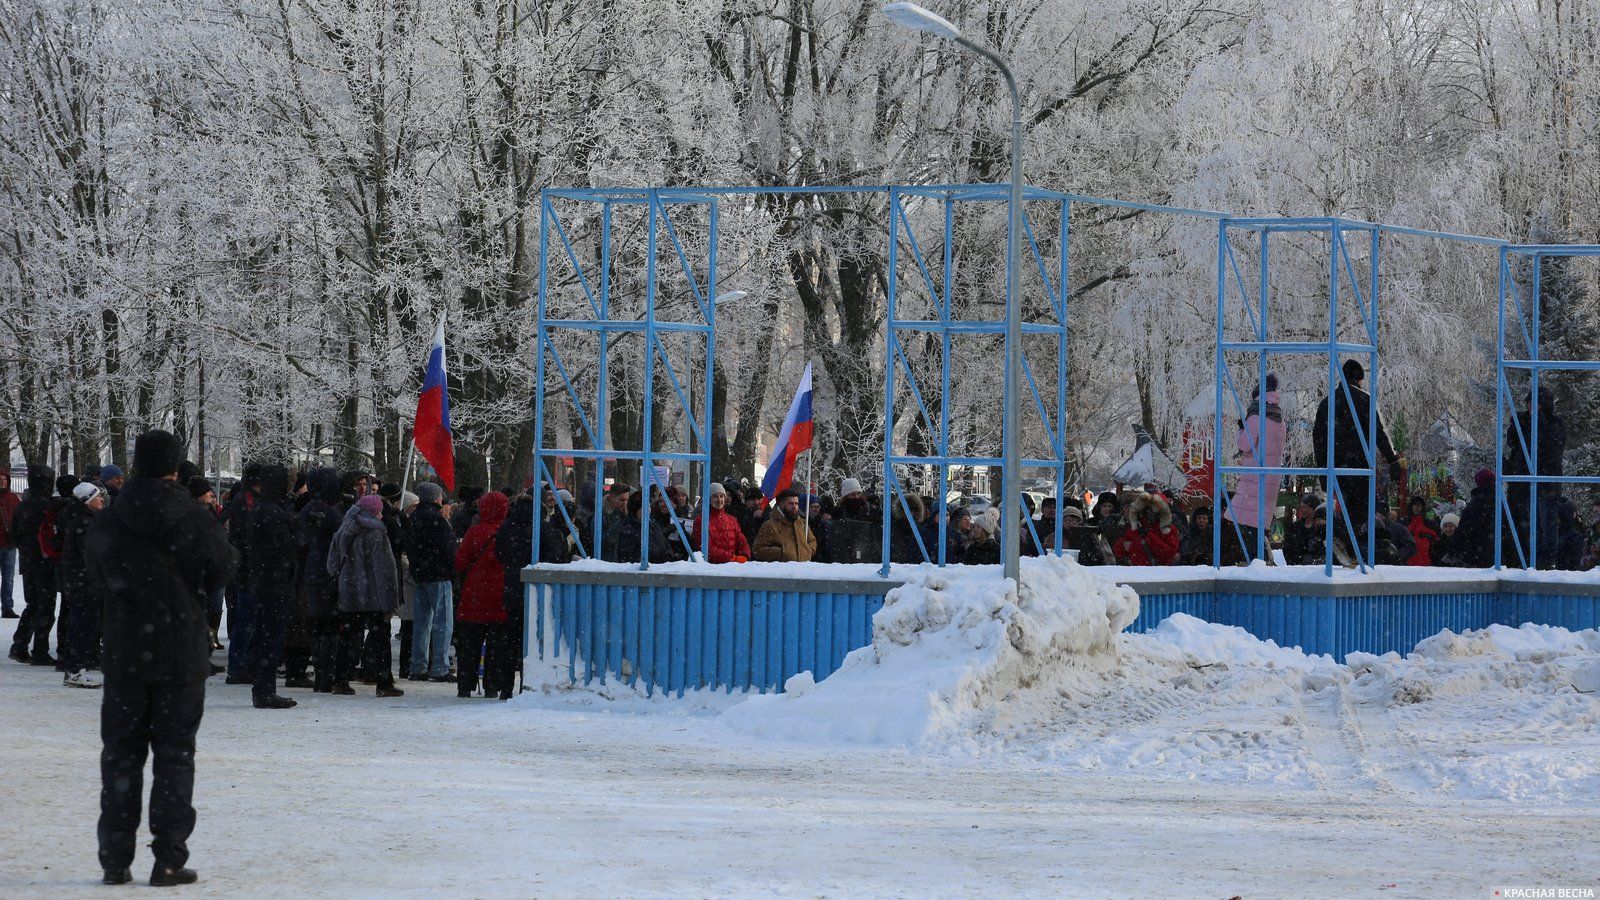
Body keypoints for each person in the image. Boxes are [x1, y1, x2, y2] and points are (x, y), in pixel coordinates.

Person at [87, 429, 237, 887]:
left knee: (120, 756)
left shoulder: (112, 519)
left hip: (127, 650)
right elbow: (223, 569)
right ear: (176, 468)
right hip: (180, 652)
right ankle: (169, 858)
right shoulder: (193, 517)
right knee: (175, 756)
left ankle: (115, 859)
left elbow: (93, 568)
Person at [1312, 359, 1403, 559]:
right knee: (1360, 512)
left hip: (1336, 467)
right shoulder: (1364, 400)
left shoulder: (1327, 402)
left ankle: (1342, 543)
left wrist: (1323, 472)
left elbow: (1318, 440)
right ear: (1359, 379)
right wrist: (1392, 460)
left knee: (1342, 509)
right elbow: (1379, 433)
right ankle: (1352, 549)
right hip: (1360, 467)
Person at [326, 494, 404, 698]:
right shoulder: (377, 533)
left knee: (348, 636)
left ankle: (340, 680)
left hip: (350, 593)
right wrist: (390, 597)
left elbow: (331, 562)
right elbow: (384, 569)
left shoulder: (345, 527)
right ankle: (384, 682)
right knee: (380, 638)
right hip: (373, 594)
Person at [243, 465, 298, 709]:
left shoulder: (260, 509)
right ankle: (265, 690)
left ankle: (262, 687)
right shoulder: (273, 512)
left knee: (265, 635)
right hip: (274, 582)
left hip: (264, 579)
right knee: (271, 637)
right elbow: (286, 546)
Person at [456, 490, 512, 699]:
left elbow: (460, 562)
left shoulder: (474, 532)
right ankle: (492, 685)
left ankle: (465, 684)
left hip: (475, 595)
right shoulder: (507, 532)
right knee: (497, 647)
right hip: (500, 596)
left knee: (469, 645)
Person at [1224, 375, 1286, 562]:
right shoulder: (1279, 418)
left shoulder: (1257, 416)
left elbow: (1245, 444)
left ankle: (1258, 561)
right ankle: (1261, 557)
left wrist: (1241, 429)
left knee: (1241, 522)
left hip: (1254, 478)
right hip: (1271, 478)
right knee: (1258, 524)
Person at [1502, 389, 1567, 567]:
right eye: (1529, 403)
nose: (1531, 407)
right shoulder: (1522, 420)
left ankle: (1544, 563)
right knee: (1521, 523)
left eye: (1536, 403)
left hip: (1546, 483)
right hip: (1521, 482)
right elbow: (1513, 443)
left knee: (1545, 525)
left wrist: (1538, 421)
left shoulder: (1555, 423)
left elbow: (1550, 448)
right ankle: (1521, 560)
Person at [295, 468, 344, 691]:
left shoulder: (308, 510)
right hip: (328, 572)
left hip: (312, 571)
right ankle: (326, 674)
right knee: (329, 626)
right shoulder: (331, 512)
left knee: (318, 625)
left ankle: (322, 673)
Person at [9, 463, 63, 665]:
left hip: (28, 561)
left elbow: (14, 534)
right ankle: (39, 650)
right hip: (44, 561)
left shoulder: (23, 506)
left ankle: (20, 644)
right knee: (46, 607)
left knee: (32, 605)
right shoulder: (50, 506)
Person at [56, 481, 107, 687]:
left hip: (83, 584)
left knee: (81, 626)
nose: (101, 499)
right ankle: (75, 669)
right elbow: (92, 557)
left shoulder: (81, 521)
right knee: (82, 628)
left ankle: (75, 668)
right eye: (97, 497)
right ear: (88, 501)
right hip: (86, 585)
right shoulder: (85, 524)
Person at [407, 482, 457, 681]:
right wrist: (453, 571)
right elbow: (448, 549)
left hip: (420, 574)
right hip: (439, 575)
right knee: (443, 623)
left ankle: (417, 666)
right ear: (436, 498)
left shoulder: (413, 517)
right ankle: (440, 667)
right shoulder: (438, 519)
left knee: (421, 622)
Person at [1113, 492, 1181, 566]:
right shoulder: (1139, 525)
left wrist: (1148, 536)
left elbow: (1169, 554)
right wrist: (1124, 545)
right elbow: (1118, 549)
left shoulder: (1169, 529)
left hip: (1161, 573)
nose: (1152, 511)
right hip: (1137, 572)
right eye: (1149, 507)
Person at [689, 483, 750, 564]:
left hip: (733, 567)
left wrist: (744, 555)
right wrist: (732, 558)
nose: (719, 500)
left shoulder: (732, 520)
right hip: (713, 569)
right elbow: (706, 548)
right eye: (715, 496)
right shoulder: (701, 521)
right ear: (709, 499)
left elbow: (742, 541)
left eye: (721, 496)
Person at [752, 489, 818, 562]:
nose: (794, 507)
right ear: (781, 504)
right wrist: (781, 552)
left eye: (796, 503)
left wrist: (808, 550)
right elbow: (757, 550)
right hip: (781, 571)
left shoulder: (803, 523)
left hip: (803, 570)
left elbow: (812, 541)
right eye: (791, 503)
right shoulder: (769, 525)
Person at [827, 481, 880, 564]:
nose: (856, 497)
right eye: (853, 494)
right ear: (846, 496)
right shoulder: (839, 511)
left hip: (866, 553)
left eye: (858, 494)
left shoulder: (868, 510)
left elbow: (875, 531)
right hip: (845, 553)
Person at [0, 468, 18, 618]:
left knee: (8, 578)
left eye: (5, 479)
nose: (2, 482)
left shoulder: (13, 498)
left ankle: (7, 607)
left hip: (9, 543)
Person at [1403, 496, 1440, 566]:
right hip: (1408, 561)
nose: (1417, 507)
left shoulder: (1429, 524)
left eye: (1419, 505)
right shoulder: (1405, 522)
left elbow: (1436, 541)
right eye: (1415, 504)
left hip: (1425, 561)